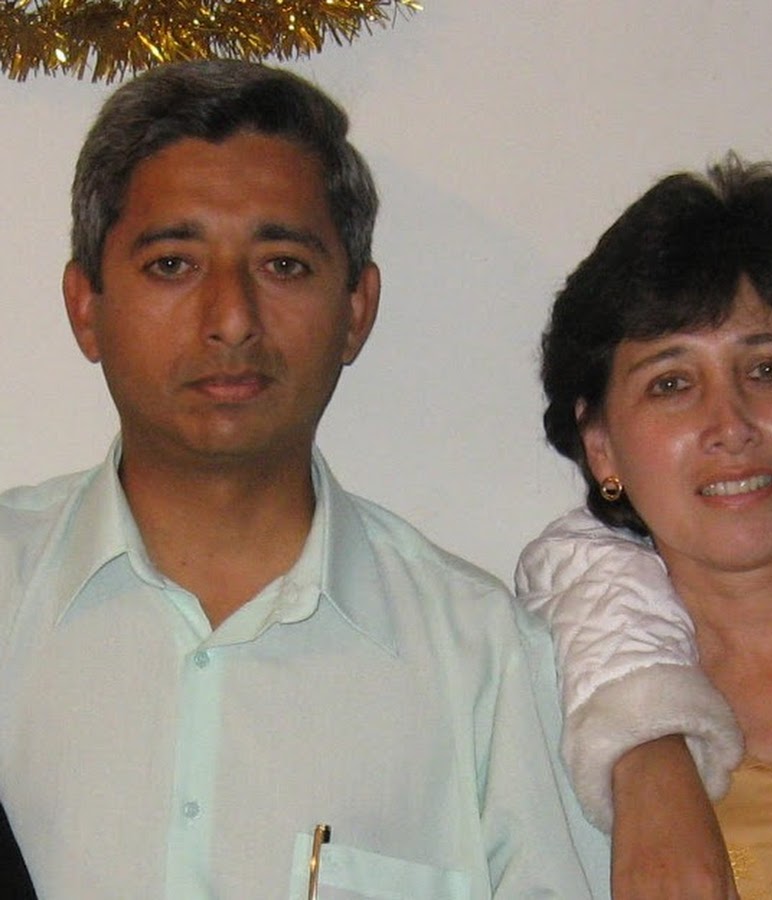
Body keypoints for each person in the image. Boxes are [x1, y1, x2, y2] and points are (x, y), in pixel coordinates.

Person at [0, 59, 616, 898]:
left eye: (282, 264)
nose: (231, 320)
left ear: (356, 309)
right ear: (86, 306)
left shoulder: (481, 658)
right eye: (173, 264)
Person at [517, 154, 772, 898]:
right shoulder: (526, 704)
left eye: (768, 369)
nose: (730, 424)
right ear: (600, 444)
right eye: (671, 383)